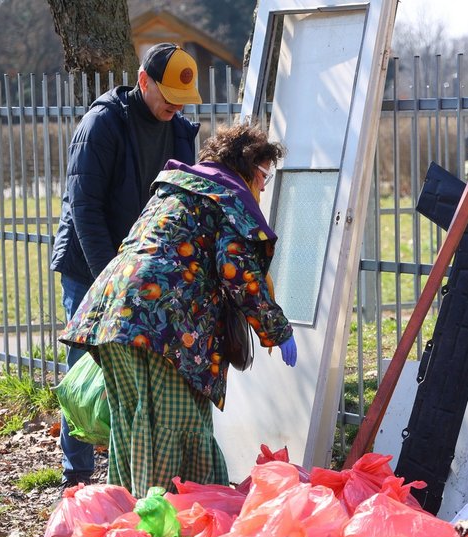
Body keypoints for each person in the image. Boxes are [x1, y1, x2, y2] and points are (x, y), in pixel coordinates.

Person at [60, 122, 297, 497]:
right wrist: (277, 329)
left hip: (112, 317)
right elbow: (238, 272)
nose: (264, 186)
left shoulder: (178, 190)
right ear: (249, 169)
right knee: (175, 427)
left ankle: (130, 523)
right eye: (264, 174)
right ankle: (175, 529)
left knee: (135, 424)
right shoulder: (227, 199)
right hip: (162, 329)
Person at [49, 43, 203, 489]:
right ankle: (75, 478)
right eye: (167, 94)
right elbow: (84, 208)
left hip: (144, 273)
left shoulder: (179, 132)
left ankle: (127, 478)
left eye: (181, 98)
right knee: (84, 367)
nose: (174, 105)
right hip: (90, 265)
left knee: (133, 377)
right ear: (143, 80)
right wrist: (108, 279)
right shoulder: (102, 123)